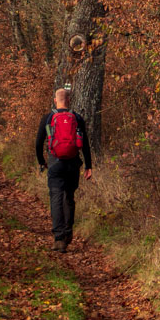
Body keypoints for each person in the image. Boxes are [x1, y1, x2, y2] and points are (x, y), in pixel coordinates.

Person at [35, 87, 92, 253]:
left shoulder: (48, 119)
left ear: (55, 100)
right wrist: (88, 166)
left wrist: (41, 162)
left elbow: (39, 143)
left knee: (56, 198)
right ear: (68, 101)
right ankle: (68, 233)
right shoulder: (77, 118)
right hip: (73, 164)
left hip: (55, 163)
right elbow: (85, 145)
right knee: (69, 197)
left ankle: (59, 238)